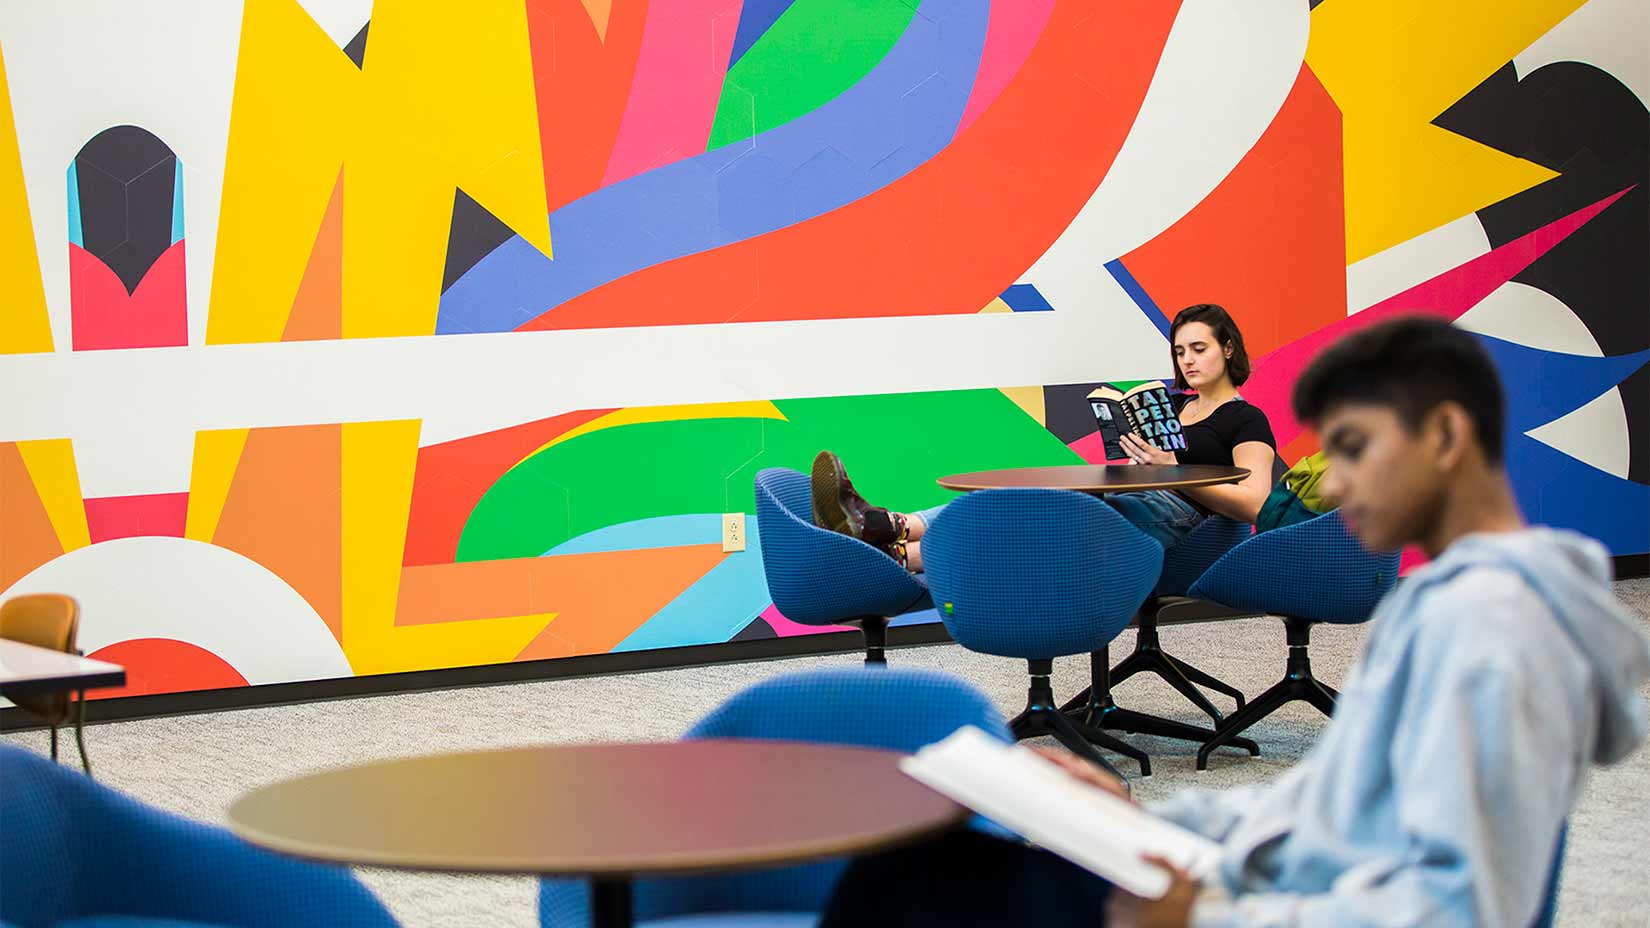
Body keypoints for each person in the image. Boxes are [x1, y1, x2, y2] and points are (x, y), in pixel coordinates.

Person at [817, 316, 1650, 927]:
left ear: (1444, 435)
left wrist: (1203, 915)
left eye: (1354, 449)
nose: (1332, 487)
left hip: (1274, 910)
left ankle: (903, 539)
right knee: (929, 874)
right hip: (1272, 880)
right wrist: (1142, 821)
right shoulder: (1444, 605)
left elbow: (1456, 907)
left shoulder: (1497, 632)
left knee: (918, 890)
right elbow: (1331, 807)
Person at [811, 304, 1279, 570]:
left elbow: (1256, 503)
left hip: (1183, 523)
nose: (1188, 361)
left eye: (1199, 349)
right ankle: (890, 533)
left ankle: (887, 541)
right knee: (1019, 498)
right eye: (1180, 352)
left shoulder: (1246, 419)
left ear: (1229, 348)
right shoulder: (1171, 405)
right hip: (1136, 497)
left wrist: (1173, 472)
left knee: (1045, 512)